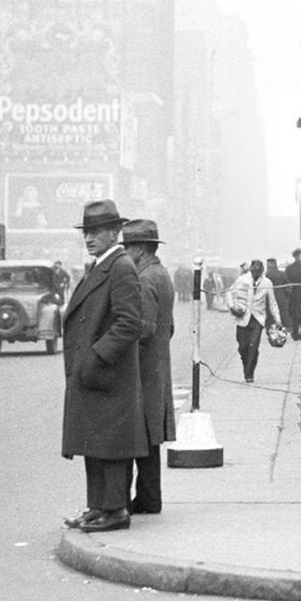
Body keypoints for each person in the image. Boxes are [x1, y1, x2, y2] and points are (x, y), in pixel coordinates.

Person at [60, 200, 147, 533]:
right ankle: (98, 507)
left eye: (96, 231)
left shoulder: (120, 266)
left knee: (109, 445)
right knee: (93, 444)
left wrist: (97, 357)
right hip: (95, 375)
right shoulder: (101, 265)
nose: (89, 238)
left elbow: (130, 322)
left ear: (115, 232)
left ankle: (115, 511)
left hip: (106, 373)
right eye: (87, 232)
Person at [121, 219, 176, 515]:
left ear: (140, 249)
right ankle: (149, 497)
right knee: (149, 438)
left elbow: (143, 330)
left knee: (137, 437)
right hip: (157, 368)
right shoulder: (161, 274)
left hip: (142, 371)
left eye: (128, 247)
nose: (125, 253)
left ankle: (145, 498)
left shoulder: (143, 279)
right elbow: (169, 328)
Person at [227, 257, 280, 383]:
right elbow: (229, 293)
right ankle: (247, 365)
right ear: (250, 270)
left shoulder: (267, 283)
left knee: (253, 346)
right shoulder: (242, 279)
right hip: (243, 317)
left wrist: (278, 320)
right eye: (254, 272)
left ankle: (249, 373)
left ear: (262, 271)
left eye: (258, 272)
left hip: (258, 318)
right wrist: (232, 306)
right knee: (243, 347)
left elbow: (272, 303)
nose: (256, 275)